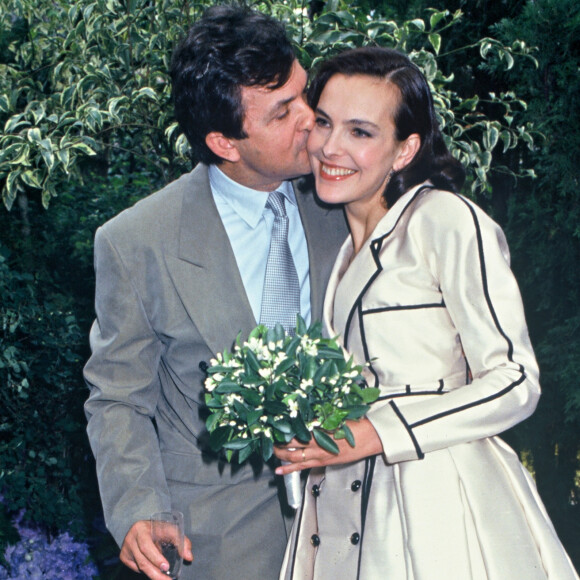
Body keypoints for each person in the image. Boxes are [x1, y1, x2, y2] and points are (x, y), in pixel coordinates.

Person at [274, 46, 579, 580]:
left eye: (361, 132)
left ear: (405, 148)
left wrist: (378, 431)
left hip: (438, 508)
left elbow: (515, 381)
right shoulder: (333, 247)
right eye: (323, 122)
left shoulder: (447, 220)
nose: (330, 146)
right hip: (339, 514)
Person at [83, 5, 347, 580]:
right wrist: (137, 508)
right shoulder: (137, 242)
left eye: (306, 93)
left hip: (362, 521)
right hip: (219, 540)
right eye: (284, 112)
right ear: (225, 142)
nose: (312, 119)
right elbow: (118, 397)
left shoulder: (352, 197)